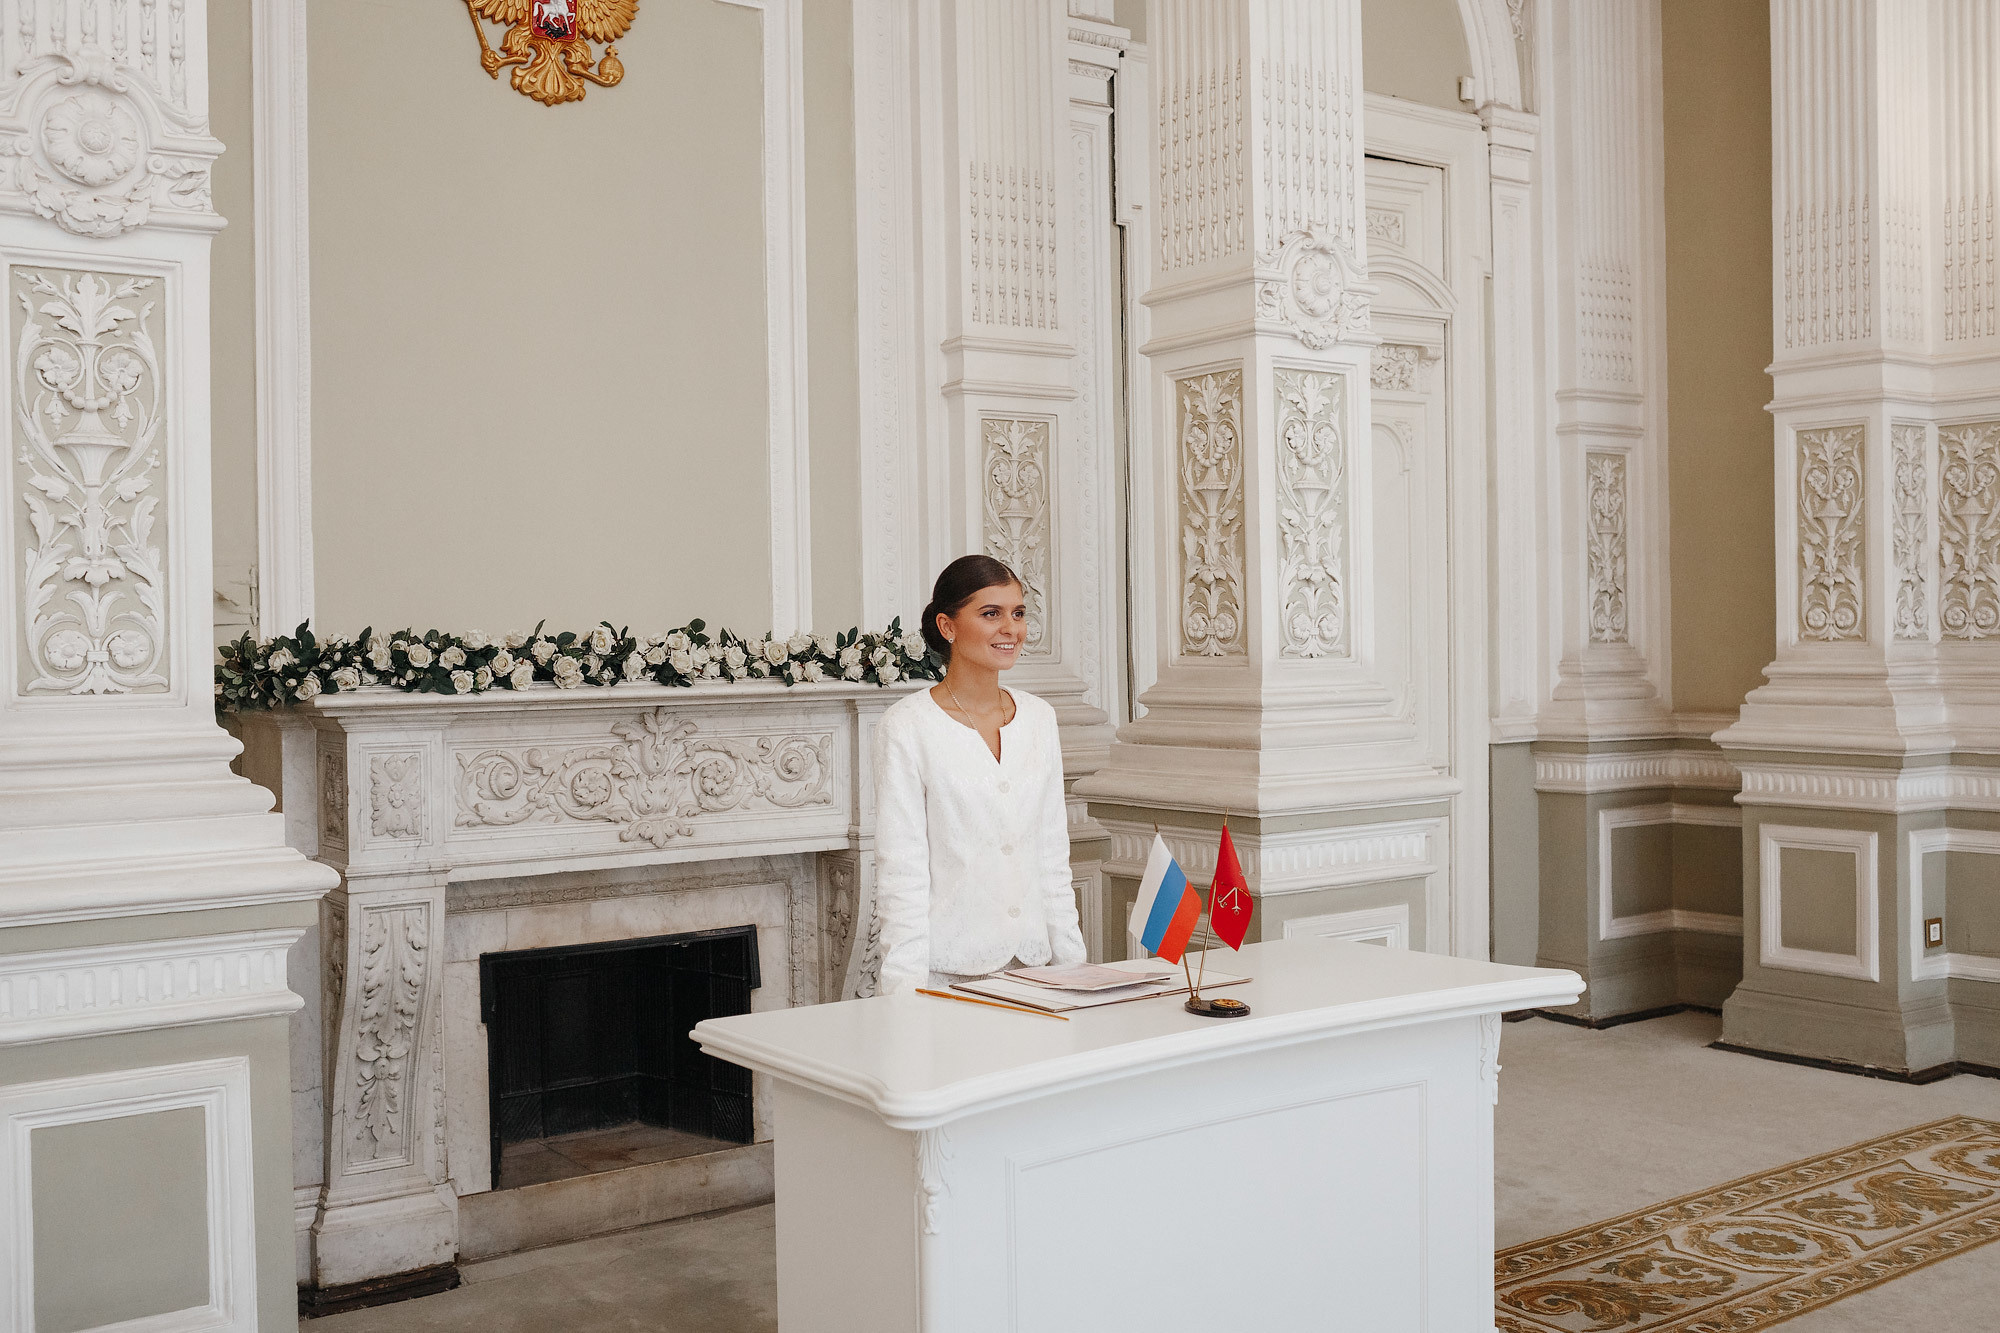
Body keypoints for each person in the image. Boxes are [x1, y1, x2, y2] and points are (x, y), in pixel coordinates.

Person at [869, 555, 1087, 996]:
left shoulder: (1039, 719)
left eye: (1018, 613)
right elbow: (902, 873)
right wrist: (901, 998)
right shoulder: (907, 726)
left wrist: (1073, 970)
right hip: (947, 974)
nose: (1011, 628)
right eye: (991, 614)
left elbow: (1051, 856)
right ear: (948, 627)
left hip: (1035, 969)